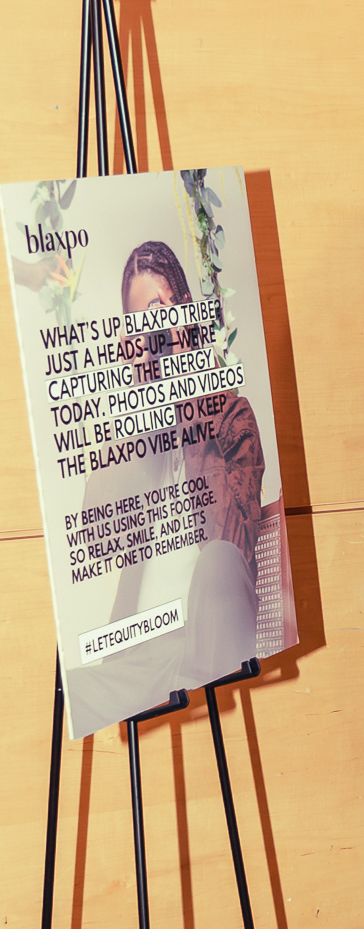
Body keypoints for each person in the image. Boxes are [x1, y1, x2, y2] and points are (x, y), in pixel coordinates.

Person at [64, 240, 263, 730]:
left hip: (209, 639)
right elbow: (97, 540)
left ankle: (182, 671)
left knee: (218, 561)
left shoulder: (232, 417)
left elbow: (236, 541)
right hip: (146, 653)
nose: (157, 332)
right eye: (142, 324)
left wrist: (190, 386)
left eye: (164, 310)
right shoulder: (136, 436)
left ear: (186, 311)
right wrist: (137, 406)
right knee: (73, 693)